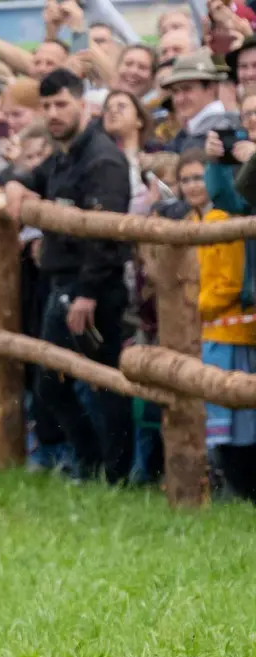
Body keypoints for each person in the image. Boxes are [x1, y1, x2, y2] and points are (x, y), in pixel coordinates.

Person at [3, 68, 134, 483]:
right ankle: (92, 464)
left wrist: (88, 292)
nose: (53, 113)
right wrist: (15, 185)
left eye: (61, 104)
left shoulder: (103, 159)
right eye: (46, 106)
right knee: (54, 384)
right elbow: (33, 178)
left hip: (91, 290)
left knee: (105, 383)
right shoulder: (65, 153)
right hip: (62, 285)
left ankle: (114, 475)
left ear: (82, 103)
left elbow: (108, 233)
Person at [181, 148, 256, 500]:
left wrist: (193, 309)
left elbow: (229, 282)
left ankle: (238, 486)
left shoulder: (226, 220)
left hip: (228, 331)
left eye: (199, 177)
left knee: (234, 420)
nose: (193, 186)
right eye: (185, 179)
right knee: (212, 418)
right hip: (203, 329)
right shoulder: (188, 224)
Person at [160, 49, 237, 152]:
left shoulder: (225, 130)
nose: (179, 99)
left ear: (211, 88)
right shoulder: (186, 132)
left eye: (187, 89)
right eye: (175, 91)